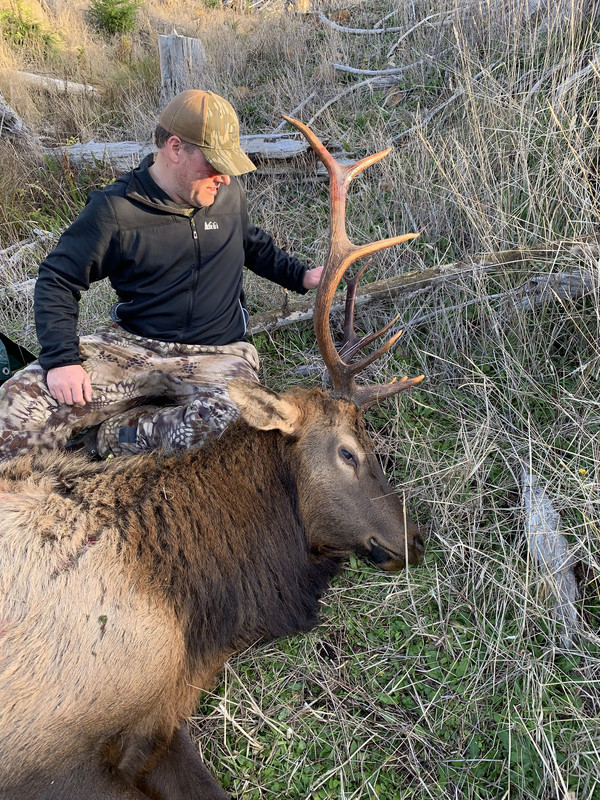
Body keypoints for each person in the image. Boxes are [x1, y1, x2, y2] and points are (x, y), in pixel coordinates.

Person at [0, 90, 322, 462]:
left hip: (218, 354)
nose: (226, 179)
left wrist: (301, 277)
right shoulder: (115, 209)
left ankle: (114, 437)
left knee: (236, 424)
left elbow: (253, 245)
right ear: (175, 148)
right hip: (132, 346)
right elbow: (58, 278)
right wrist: (62, 360)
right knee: (19, 401)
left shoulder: (227, 197)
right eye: (215, 165)